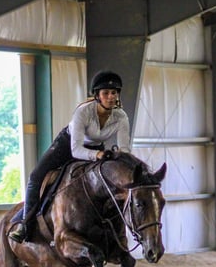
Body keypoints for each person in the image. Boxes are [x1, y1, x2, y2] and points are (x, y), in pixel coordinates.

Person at [8, 70, 132, 243]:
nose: (111, 97)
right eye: (106, 93)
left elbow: (125, 150)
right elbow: (76, 151)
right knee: (35, 177)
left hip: (97, 149)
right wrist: (98, 154)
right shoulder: (83, 112)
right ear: (97, 96)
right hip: (67, 145)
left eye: (114, 93)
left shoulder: (121, 117)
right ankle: (24, 224)